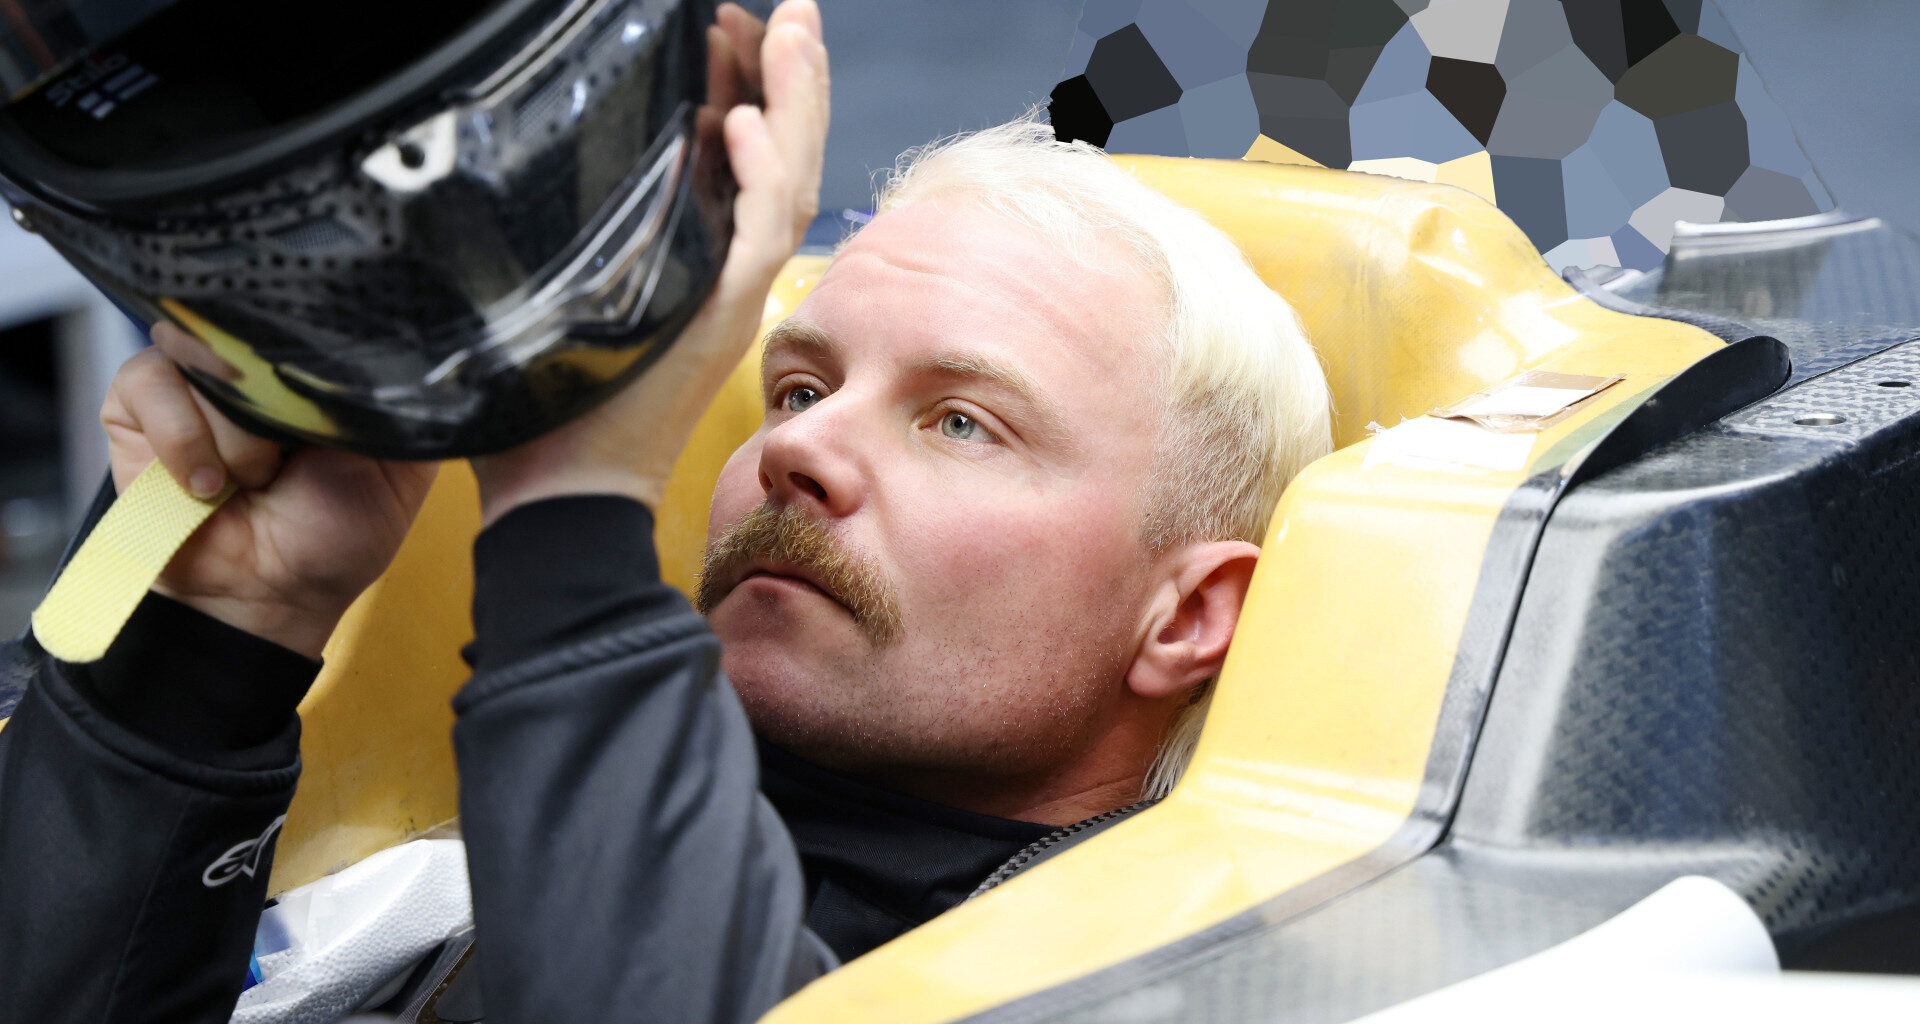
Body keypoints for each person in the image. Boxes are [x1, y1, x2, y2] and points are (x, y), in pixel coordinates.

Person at [0, 1, 1331, 1020]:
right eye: (797, 385)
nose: (801, 445)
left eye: (961, 422)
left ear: (1187, 617)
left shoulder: (1233, 988)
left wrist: (568, 496)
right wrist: (212, 646)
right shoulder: (427, 894)